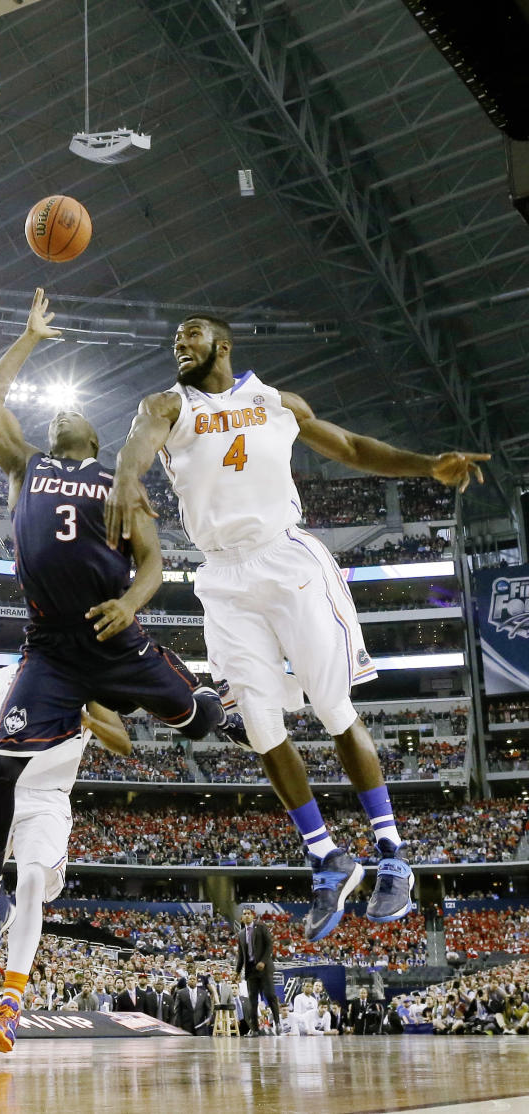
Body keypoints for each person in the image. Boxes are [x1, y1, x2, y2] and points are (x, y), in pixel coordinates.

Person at [105, 311, 490, 940]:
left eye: (192, 335)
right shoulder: (166, 406)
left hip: (288, 559)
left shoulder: (276, 402)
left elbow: (354, 448)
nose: (180, 343)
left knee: (334, 707)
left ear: (221, 345)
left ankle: (392, 855)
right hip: (222, 578)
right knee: (258, 726)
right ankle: (326, 857)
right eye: (175, 338)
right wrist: (126, 476)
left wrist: (426, 465)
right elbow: (139, 444)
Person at [0, 290, 245, 995]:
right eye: (54, 413)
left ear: (92, 438)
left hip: (112, 638)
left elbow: (153, 565)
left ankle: (228, 713)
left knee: (202, 720)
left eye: (72, 414)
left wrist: (129, 601)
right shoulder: (25, 466)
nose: (60, 414)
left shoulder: (118, 482)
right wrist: (26, 338)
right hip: (51, 649)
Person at [0, 663, 131, 1059]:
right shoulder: (1, 679)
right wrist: (0, 731)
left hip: (47, 799)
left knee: (31, 883)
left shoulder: (85, 680)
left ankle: (9, 1003)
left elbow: (122, 743)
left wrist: (83, 716)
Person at [234, 907, 278, 1037]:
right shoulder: (241, 934)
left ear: (253, 916)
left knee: (270, 995)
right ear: (242, 918)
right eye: (244, 914)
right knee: (252, 1001)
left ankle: (278, 1024)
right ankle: (254, 1029)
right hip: (251, 970)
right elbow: (241, 956)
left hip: (264, 969)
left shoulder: (261, 927)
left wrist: (263, 962)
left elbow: (270, 945)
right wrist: (237, 972)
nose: (247, 916)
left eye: (249, 914)